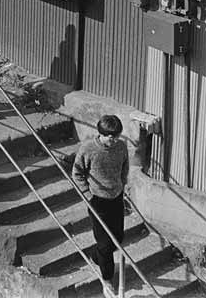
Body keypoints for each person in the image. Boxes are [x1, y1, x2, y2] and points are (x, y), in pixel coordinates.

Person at [72, 115, 130, 291]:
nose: (113, 141)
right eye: (110, 137)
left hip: (116, 198)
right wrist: (88, 196)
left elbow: (125, 167)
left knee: (118, 239)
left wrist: (121, 185)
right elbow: (77, 173)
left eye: (116, 136)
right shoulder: (88, 149)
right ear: (101, 134)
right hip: (97, 201)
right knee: (105, 244)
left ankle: (96, 256)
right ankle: (107, 280)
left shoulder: (121, 147)